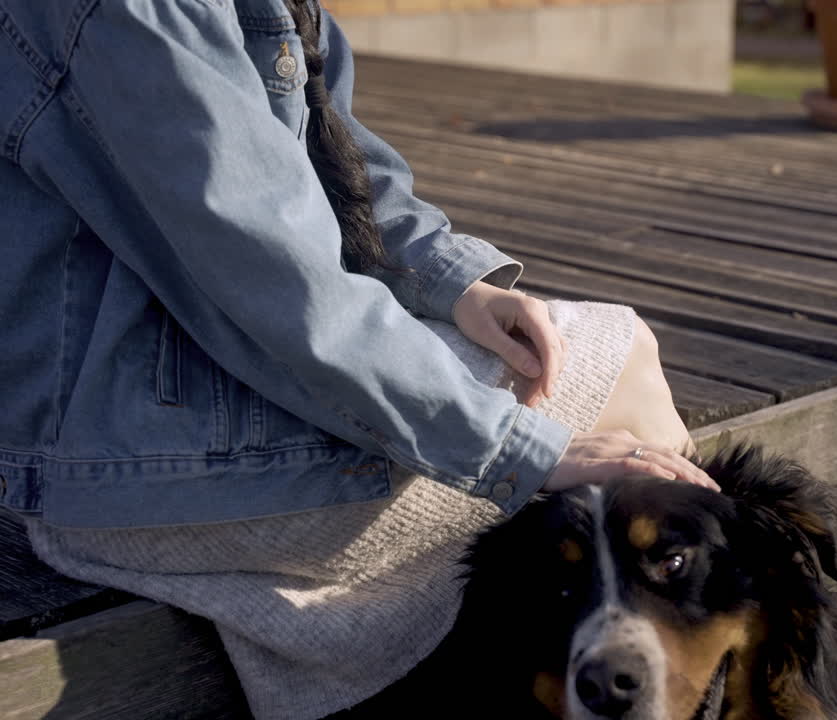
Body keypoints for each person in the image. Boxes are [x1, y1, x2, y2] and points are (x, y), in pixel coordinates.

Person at [1, 1, 715, 717]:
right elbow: (271, 277)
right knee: (618, 383)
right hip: (117, 450)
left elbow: (330, 155)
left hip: (192, 380)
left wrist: (451, 281)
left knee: (609, 370)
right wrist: (514, 447)